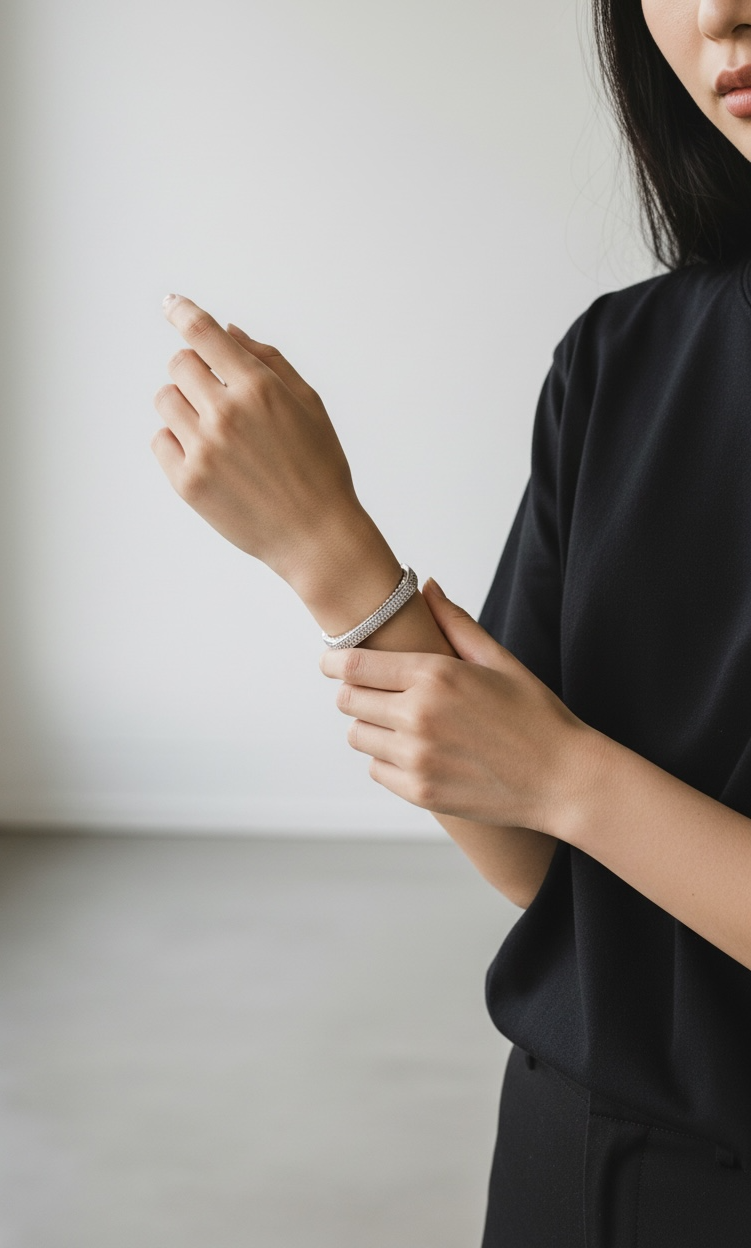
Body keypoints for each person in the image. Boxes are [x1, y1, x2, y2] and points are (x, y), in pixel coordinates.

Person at [150, 0, 751, 1241]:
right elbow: (530, 859)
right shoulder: (621, 357)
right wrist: (328, 553)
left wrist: (573, 778)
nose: (716, 12)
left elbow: (552, 789)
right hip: (561, 1161)